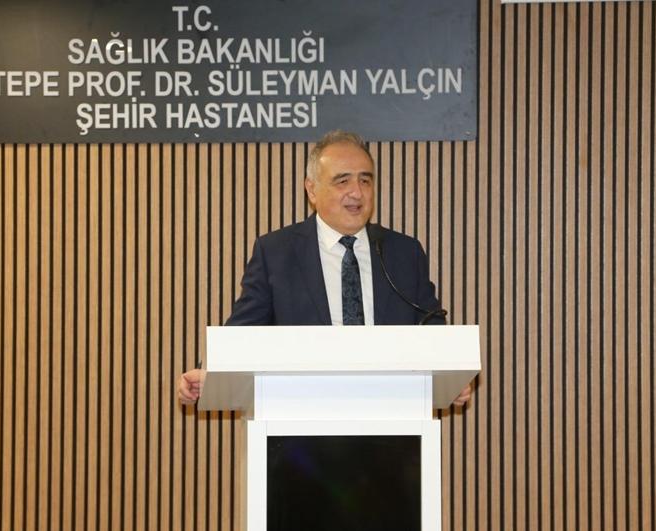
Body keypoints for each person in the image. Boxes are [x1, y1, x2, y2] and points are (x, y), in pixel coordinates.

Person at [178, 130, 473, 406]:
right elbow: (244, 330)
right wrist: (209, 374)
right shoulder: (277, 252)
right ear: (312, 190)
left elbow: (430, 325)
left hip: (391, 413)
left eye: (365, 180)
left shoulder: (403, 252)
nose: (357, 192)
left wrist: (450, 374)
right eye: (342, 181)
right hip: (301, 417)